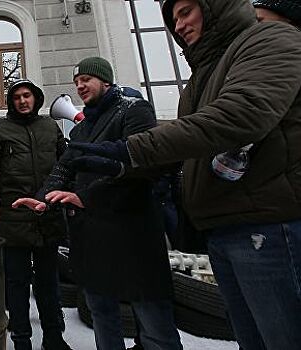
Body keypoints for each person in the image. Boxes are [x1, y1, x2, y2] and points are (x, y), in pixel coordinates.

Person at [70, 0, 301, 348]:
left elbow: (241, 114)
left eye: (186, 12)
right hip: (226, 229)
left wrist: (128, 149)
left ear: (216, 7)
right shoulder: (201, 77)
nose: (177, 26)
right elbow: (185, 154)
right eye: (173, 18)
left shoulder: (271, 37)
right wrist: (119, 166)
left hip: (268, 228)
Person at [13, 58, 182, 350]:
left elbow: (140, 167)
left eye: (87, 79)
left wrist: (86, 197)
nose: (80, 86)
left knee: (153, 322)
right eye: (77, 81)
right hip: (92, 236)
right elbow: (64, 169)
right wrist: (42, 199)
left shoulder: (134, 110)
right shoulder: (81, 129)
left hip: (133, 233)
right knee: (102, 314)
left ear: (106, 81)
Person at [0, 79, 70, 350]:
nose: (22, 101)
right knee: (16, 284)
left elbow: (66, 161)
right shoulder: (0, 128)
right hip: (14, 217)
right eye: (16, 97)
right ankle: (21, 340)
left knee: (49, 283)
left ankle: (54, 338)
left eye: (27, 96)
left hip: (48, 215)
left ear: (35, 99)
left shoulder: (50, 127)